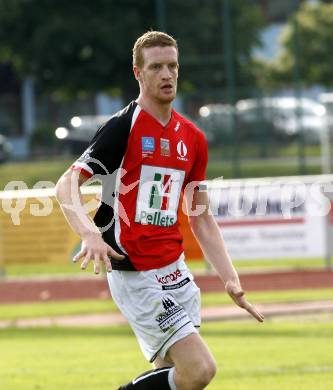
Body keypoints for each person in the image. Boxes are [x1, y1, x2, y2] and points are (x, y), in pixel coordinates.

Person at [55, 30, 264, 390]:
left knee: (178, 381)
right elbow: (65, 185)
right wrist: (89, 234)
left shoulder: (193, 138)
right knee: (200, 370)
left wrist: (230, 278)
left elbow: (200, 215)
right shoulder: (123, 126)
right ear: (138, 73)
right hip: (134, 271)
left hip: (176, 271)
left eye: (172, 66)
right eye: (156, 67)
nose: (166, 75)